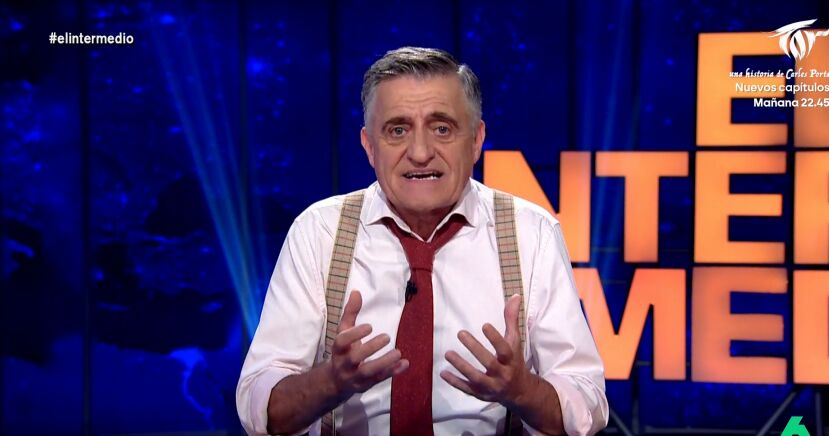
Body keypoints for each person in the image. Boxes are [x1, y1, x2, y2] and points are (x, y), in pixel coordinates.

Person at [236, 46, 608, 435]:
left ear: (476, 140)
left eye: (441, 128)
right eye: (397, 130)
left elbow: (587, 405)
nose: (420, 153)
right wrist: (330, 382)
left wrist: (522, 391)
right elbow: (260, 409)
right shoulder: (319, 232)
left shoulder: (532, 233)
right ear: (369, 146)